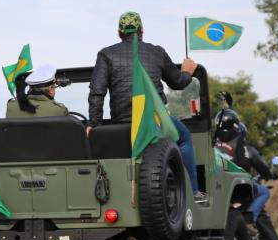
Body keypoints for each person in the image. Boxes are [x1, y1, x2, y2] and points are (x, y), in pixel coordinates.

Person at [88, 11, 206, 203]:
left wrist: (94, 124)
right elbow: (177, 83)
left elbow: (96, 93)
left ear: (119, 33)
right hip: (155, 122)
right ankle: (193, 192)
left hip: (122, 125)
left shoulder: (106, 55)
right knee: (184, 137)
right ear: (142, 31)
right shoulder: (157, 52)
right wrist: (186, 72)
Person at [213, 107, 278, 240]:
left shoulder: (212, 144)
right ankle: (251, 219)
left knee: (262, 216)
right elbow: (261, 168)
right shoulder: (245, 148)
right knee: (264, 194)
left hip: (217, 188)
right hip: (240, 186)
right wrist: (270, 174)